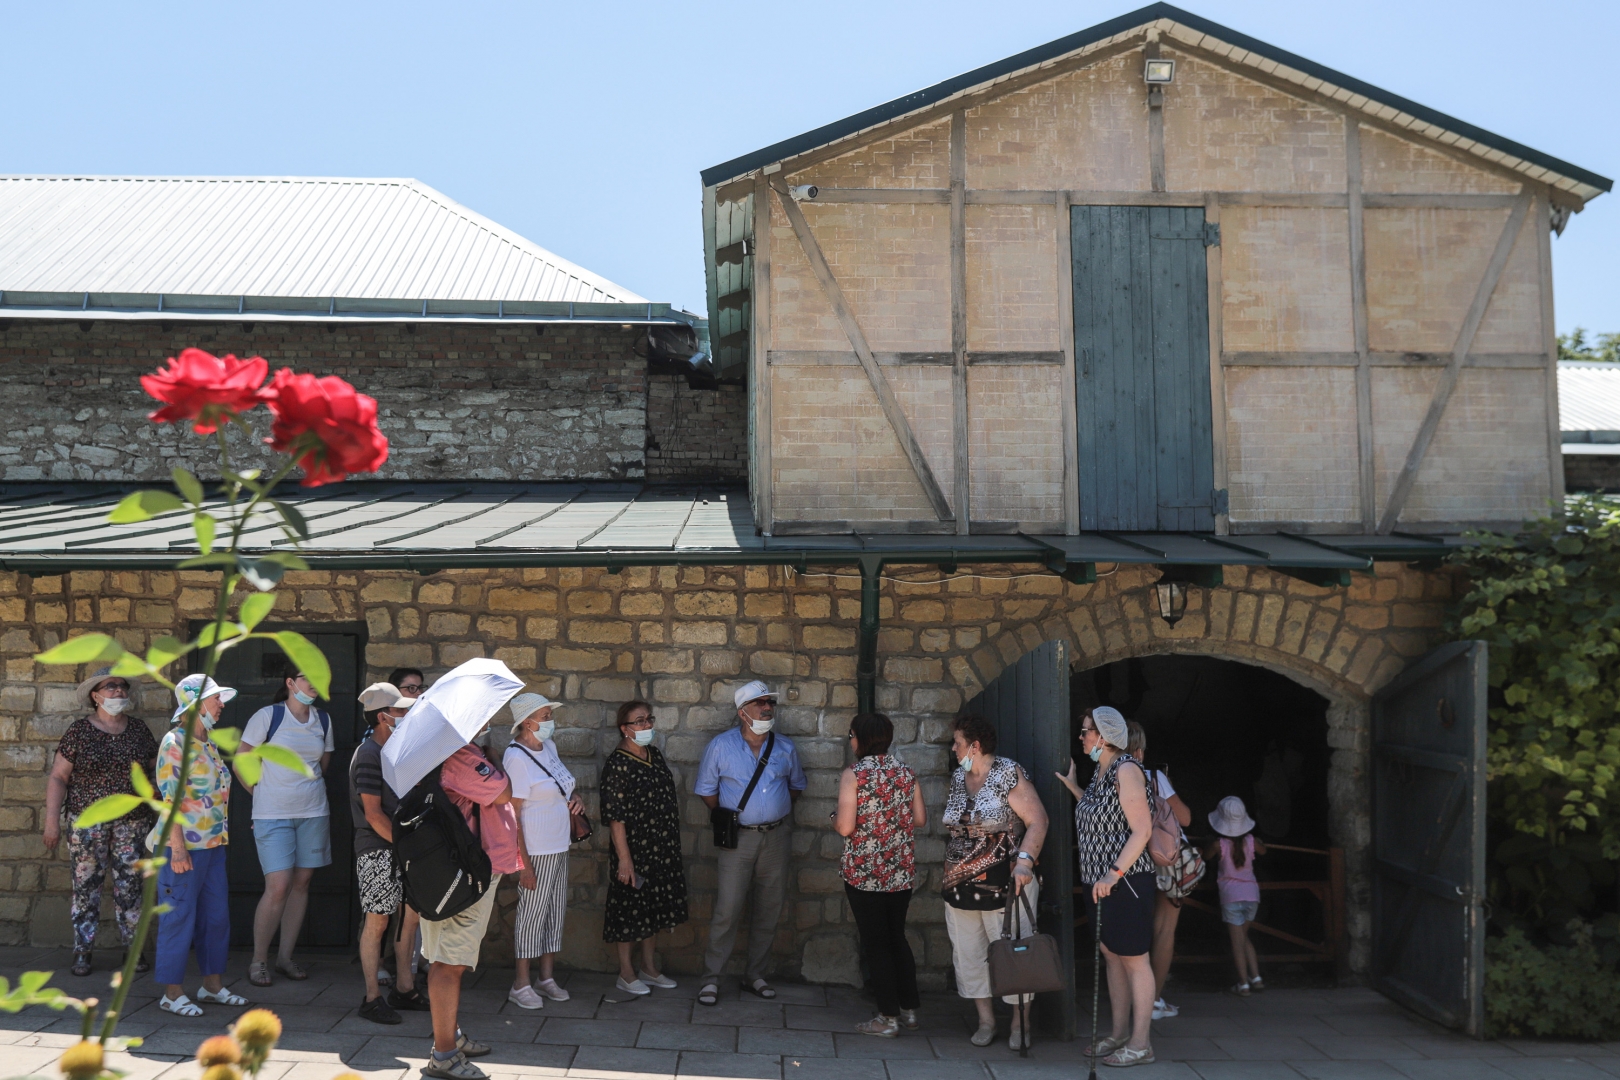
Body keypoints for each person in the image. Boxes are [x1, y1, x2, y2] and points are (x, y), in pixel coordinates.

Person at [942, 714, 1050, 1051]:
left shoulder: (1006, 773)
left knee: (1014, 955)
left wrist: (1024, 863)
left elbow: (1038, 821)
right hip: (960, 884)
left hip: (1006, 885)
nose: (953, 747)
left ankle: (1020, 1023)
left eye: (957, 742)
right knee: (969, 955)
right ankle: (986, 1021)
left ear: (974, 746)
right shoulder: (958, 778)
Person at [694, 681, 806, 1006]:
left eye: (770, 702)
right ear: (743, 713)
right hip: (738, 839)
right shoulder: (720, 746)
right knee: (727, 910)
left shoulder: (784, 747)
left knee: (768, 909)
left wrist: (773, 812)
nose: (767, 708)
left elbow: (796, 786)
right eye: (759, 704)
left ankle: (755, 975)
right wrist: (729, 819)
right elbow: (706, 790)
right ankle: (711, 979)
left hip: (776, 838)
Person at [422, 725, 524, 1080]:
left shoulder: (439, 750)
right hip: (467, 874)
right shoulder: (461, 754)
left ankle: (449, 1037)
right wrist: (493, 756)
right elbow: (503, 792)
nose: (486, 723)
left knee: (444, 959)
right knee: (451, 963)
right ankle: (445, 1055)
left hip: (446, 871)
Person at [45, 667, 159, 977]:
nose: (120, 692)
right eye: (111, 687)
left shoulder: (138, 731)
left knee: (131, 888)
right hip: (87, 824)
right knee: (85, 888)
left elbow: (155, 772)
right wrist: (51, 822)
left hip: (132, 824)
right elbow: (58, 776)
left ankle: (133, 952)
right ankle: (83, 951)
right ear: (96, 695)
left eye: (123, 687)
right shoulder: (79, 731)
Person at [1067, 706, 1157, 1067]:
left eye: (1086, 730)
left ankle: (1141, 1044)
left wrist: (1113, 873)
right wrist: (1074, 787)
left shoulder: (1127, 769)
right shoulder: (1100, 770)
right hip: (1098, 881)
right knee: (1112, 955)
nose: (1082, 736)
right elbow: (1102, 818)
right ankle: (1119, 1034)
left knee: (1135, 960)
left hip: (1125, 881)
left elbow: (1142, 829)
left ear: (1103, 737)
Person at [153, 674, 247, 1016]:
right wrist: (177, 849)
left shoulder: (205, 743)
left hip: (212, 847)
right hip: (183, 849)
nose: (222, 705)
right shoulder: (174, 743)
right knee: (178, 917)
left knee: (216, 918)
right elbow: (169, 800)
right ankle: (171, 993)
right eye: (216, 699)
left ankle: (211, 986)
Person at [237, 664, 335, 987]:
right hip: (272, 816)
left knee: (301, 884)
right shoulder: (268, 716)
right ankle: (258, 960)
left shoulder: (323, 719)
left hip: (313, 812)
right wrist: (260, 793)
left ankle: (284, 959)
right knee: (278, 886)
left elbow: (323, 764)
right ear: (290, 682)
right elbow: (242, 760)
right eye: (309, 677)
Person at [835, 712, 925, 1038]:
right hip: (900, 872)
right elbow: (919, 819)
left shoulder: (854, 775)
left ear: (860, 738)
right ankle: (910, 1009)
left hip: (864, 873)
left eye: (851, 735)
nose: (850, 741)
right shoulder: (906, 773)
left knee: (876, 944)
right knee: (896, 937)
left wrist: (835, 817)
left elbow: (845, 826)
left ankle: (887, 1018)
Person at [502, 693, 585, 1009]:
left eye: (551, 715)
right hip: (536, 849)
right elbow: (514, 814)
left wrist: (575, 797)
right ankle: (520, 983)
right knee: (531, 916)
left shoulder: (548, 747)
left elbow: (562, 784)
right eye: (545, 715)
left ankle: (546, 977)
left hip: (559, 843)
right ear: (527, 721)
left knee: (554, 912)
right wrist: (523, 863)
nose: (551, 721)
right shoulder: (516, 757)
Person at [600, 700, 687, 996]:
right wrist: (625, 860)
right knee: (629, 912)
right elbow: (616, 818)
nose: (647, 725)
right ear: (624, 729)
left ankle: (649, 968)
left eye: (649, 719)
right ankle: (625, 972)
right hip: (634, 852)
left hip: (660, 849)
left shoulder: (654, 754)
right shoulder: (618, 763)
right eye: (639, 721)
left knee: (654, 910)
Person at [351, 682, 425, 1025]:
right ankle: (371, 997)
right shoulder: (368, 753)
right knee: (378, 920)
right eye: (400, 710)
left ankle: (405, 989)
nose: (407, 715)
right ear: (384, 717)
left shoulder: (391, 750)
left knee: (408, 918)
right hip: (377, 849)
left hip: (398, 847)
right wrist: (403, 843)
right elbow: (373, 813)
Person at [1130, 722, 1193, 1021]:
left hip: (1130, 860)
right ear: (1140, 749)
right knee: (1164, 929)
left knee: (1135, 927)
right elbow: (1185, 818)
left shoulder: (1106, 777)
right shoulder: (1152, 777)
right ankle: (1152, 1001)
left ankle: (1131, 997)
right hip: (1164, 859)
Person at [1206, 796, 1267, 996]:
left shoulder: (1219, 845)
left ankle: (1243, 983)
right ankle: (1256, 978)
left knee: (1237, 942)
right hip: (1252, 896)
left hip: (1231, 896)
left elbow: (1205, 857)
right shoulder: (1251, 842)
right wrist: (1259, 841)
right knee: (1243, 937)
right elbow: (1264, 851)